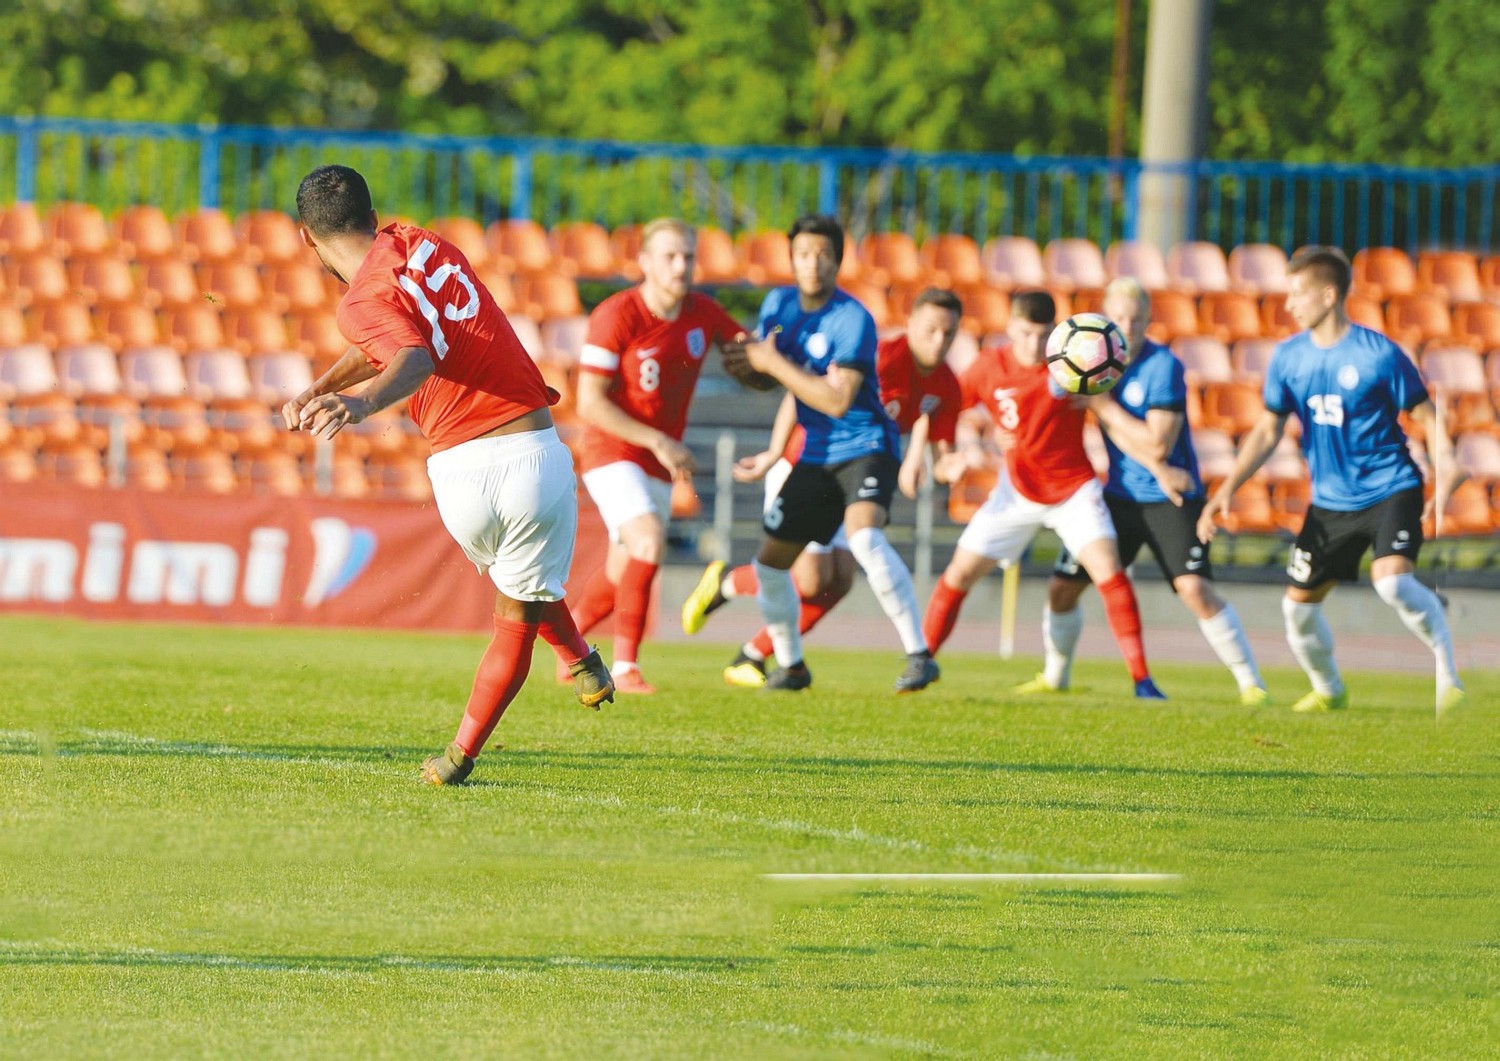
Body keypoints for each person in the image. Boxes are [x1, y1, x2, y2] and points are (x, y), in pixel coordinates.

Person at [282, 164, 614, 786]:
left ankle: (581, 662)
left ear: (306, 237)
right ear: (373, 217)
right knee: (519, 607)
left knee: (523, 584)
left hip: (459, 477)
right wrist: (329, 391)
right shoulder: (422, 244)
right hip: (529, 457)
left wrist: (357, 402)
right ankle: (460, 754)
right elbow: (405, 346)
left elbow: (405, 350)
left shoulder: (358, 304)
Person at [1198, 246, 1465, 714]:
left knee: (1392, 583)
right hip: (1330, 503)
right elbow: (1268, 430)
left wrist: (1447, 465)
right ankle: (1329, 690)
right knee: (1297, 611)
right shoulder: (1288, 358)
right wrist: (1227, 488)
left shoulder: (1379, 354)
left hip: (1390, 487)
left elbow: (1428, 415)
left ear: (1328, 294)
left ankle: (1450, 681)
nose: (1289, 305)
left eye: (1297, 294)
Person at [681, 287, 968, 687]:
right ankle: (729, 582)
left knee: (838, 582)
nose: (939, 341)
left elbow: (935, 434)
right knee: (811, 579)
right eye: (931, 330)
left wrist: (946, 465)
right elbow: (804, 390)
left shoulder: (947, 384)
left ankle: (758, 655)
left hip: (858, 466)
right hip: (807, 460)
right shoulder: (880, 357)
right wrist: (773, 452)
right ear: (910, 324)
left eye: (949, 333)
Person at [921, 289, 1176, 699]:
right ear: (1010, 328)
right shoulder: (989, 366)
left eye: (1043, 335)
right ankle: (921, 661)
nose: (1035, 344)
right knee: (958, 573)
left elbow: (1110, 418)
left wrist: (1155, 463)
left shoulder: (1074, 366)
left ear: (1056, 333)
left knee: (1109, 570)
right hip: (1016, 491)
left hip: (1073, 490)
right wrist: (964, 447)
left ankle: (1142, 680)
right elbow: (948, 409)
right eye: (1026, 334)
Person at [1034, 278, 1268, 704]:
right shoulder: (1088, 360)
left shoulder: (1163, 366)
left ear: (1148, 320)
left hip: (1171, 499)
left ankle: (1251, 683)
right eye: (1119, 318)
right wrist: (1157, 466)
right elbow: (1061, 400)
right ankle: (1055, 676)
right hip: (1118, 496)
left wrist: (1104, 407)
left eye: (1137, 319)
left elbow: (1158, 443)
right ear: (1105, 320)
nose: (1128, 327)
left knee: (1195, 590)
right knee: (1062, 588)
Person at [731, 214, 937, 692]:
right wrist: (746, 363)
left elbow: (838, 400)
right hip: (816, 453)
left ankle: (920, 655)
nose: (813, 263)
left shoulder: (853, 319)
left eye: (824, 254)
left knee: (865, 539)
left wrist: (771, 362)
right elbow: (769, 377)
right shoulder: (778, 305)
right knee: (771, 566)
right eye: (803, 253)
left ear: (838, 262)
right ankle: (791, 666)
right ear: (791, 259)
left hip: (867, 444)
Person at [565, 218, 751, 694]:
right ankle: (626, 668)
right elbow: (589, 402)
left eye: (688, 256)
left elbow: (749, 354)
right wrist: (658, 440)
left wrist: (772, 361)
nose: (681, 266)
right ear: (644, 262)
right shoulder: (617, 314)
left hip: (657, 459)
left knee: (621, 571)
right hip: (612, 449)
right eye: (670, 256)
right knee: (648, 542)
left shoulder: (703, 313)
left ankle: (571, 642)